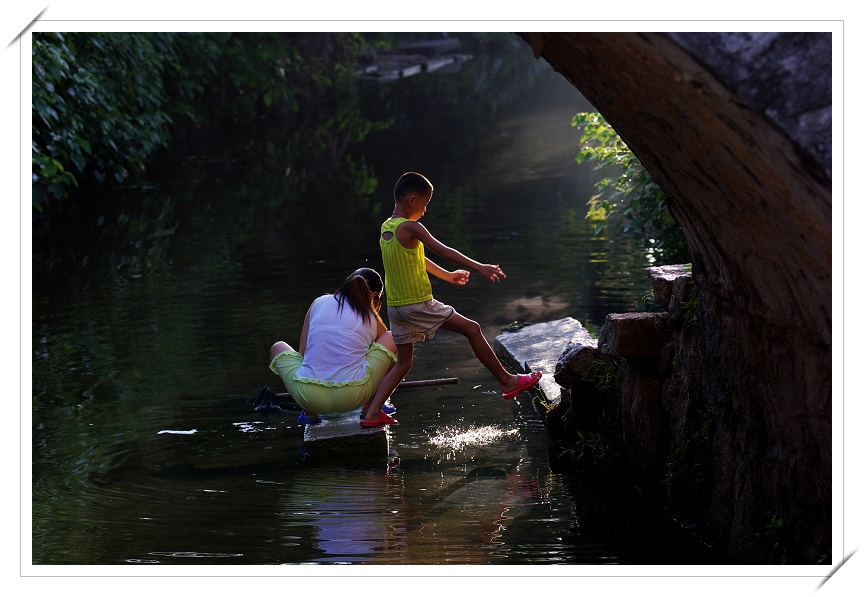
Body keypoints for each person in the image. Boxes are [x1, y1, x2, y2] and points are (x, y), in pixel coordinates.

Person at [360, 172, 542, 428]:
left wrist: (448, 276)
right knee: (473, 328)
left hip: (397, 308)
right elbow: (444, 250)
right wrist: (480, 266)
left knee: (404, 362)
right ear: (412, 200)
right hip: (417, 304)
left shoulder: (387, 228)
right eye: (425, 204)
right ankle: (507, 380)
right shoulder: (411, 226)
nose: (425, 210)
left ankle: (372, 414)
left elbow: (416, 259)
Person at [269, 267, 398, 425]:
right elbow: (387, 349)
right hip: (354, 396)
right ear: (374, 296)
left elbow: (302, 354)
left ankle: (310, 414)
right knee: (394, 337)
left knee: (278, 347)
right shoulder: (370, 315)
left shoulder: (318, 302)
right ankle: (370, 408)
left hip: (309, 397)